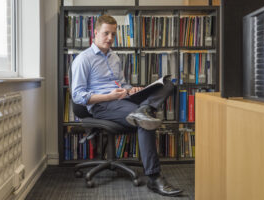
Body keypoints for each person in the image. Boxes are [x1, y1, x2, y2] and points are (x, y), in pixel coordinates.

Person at [71, 15, 182, 197]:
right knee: (143, 120)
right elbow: (77, 96)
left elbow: (120, 83)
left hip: (122, 99)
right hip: (102, 105)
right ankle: (154, 178)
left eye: (113, 34)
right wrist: (108, 96)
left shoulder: (114, 57)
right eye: (106, 33)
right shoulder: (83, 60)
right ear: (95, 33)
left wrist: (130, 89)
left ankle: (144, 108)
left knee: (168, 84)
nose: (110, 38)